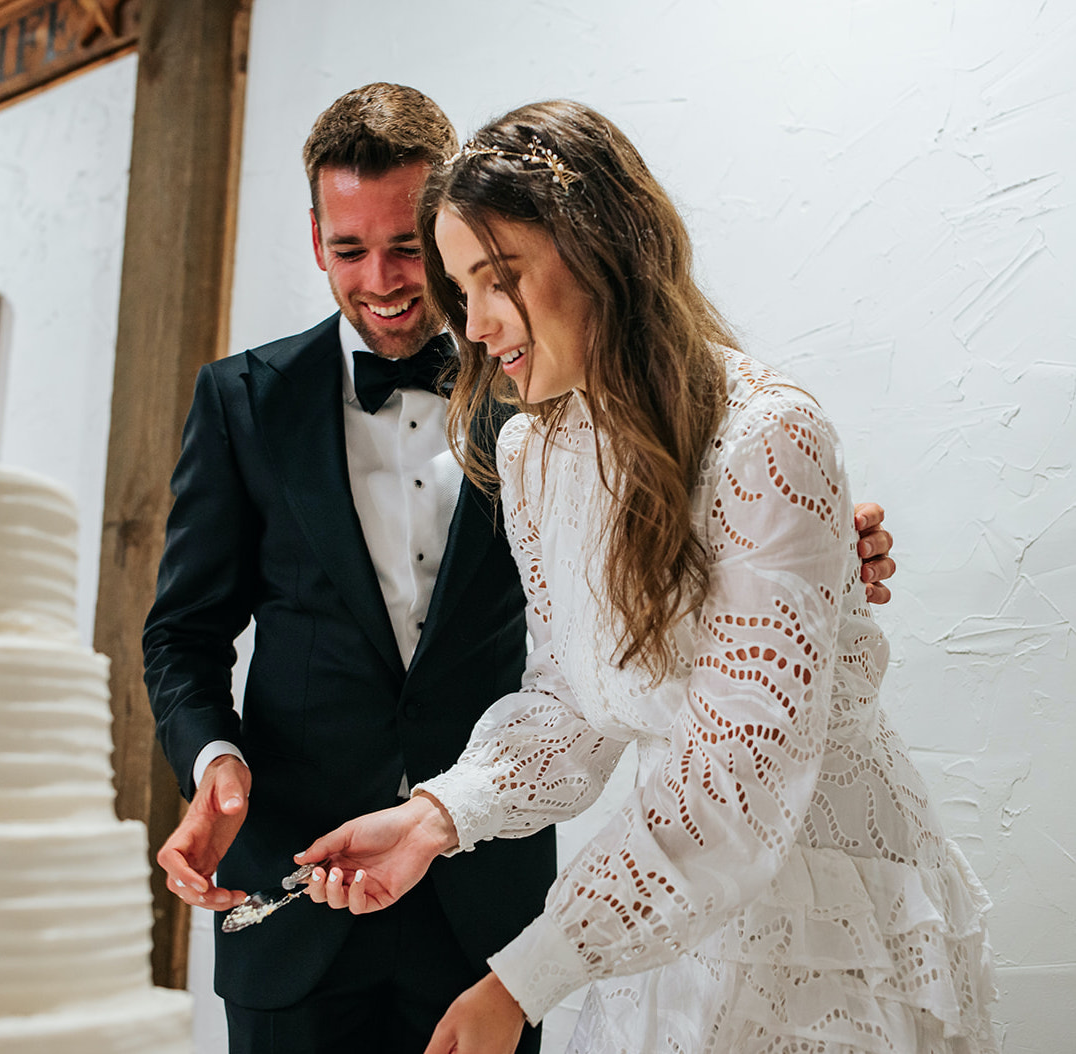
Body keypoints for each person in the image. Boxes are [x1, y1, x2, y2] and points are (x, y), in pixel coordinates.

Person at [143, 85, 897, 1054]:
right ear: (314, 236)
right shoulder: (522, 435)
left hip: (617, 911)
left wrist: (803, 546)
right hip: (331, 876)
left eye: (445, 263)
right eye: (348, 249)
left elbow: (728, 733)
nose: (453, 310)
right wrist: (424, 814)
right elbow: (568, 695)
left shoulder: (585, 411)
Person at [298, 100, 995, 1054]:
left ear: (598, 250)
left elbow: (737, 777)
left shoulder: (767, 436)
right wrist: (434, 818)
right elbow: (571, 706)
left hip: (822, 915)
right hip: (661, 914)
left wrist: (523, 980)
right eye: (461, 289)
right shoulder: (539, 456)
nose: (475, 323)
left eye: (497, 279)